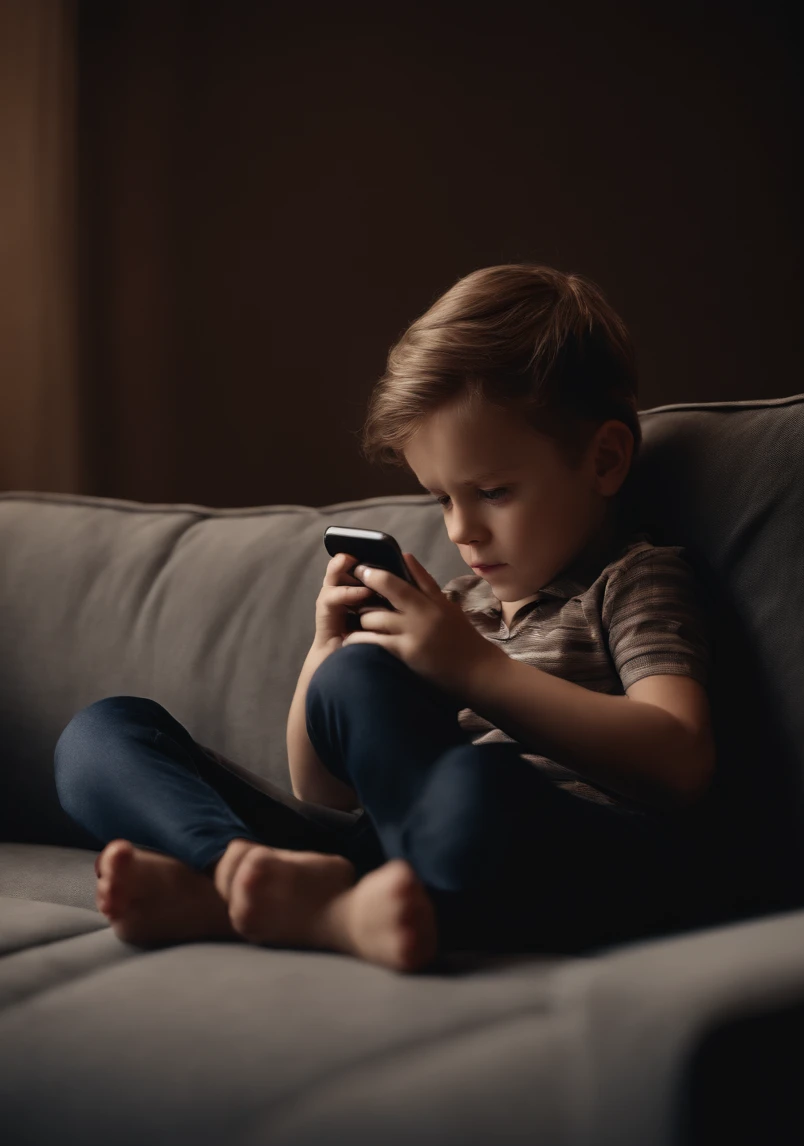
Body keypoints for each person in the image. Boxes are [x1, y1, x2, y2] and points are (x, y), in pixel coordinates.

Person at [53, 263, 715, 972]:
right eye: (441, 499)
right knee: (105, 735)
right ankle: (242, 875)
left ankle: (265, 906)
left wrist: (477, 671)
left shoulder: (632, 579)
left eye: (492, 491)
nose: (463, 531)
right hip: (395, 852)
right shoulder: (452, 605)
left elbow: (680, 758)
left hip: (564, 853)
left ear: (606, 459)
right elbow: (322, 790)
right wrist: (324, 651)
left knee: (478, 784)